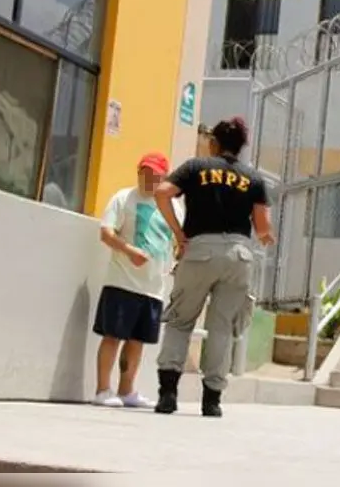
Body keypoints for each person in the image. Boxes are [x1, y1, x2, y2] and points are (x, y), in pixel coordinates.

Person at [152, 117, 275, 417]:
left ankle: (168, 393)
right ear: (241, 147)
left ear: (214, 143)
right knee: (222, 327)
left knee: (181, 320)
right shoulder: (254, 179)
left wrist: (178, 232)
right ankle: (212, 401)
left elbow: (161, 192)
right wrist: (263, 236)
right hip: (238, 255)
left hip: (200, 249)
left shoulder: (196, 167)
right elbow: (263, 228)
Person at [92, 152, 180, 408]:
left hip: (153, 287)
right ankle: (102, 390)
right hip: (122, 281)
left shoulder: (173, 207)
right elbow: (106, 233)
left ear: (164, 178)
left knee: (137, 340)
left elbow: (176, 240)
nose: (148, 179)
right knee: (112, 335)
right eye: (145, 173)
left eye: (154, 175)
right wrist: (129, 251)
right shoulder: (123, 198)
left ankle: (127, 390)